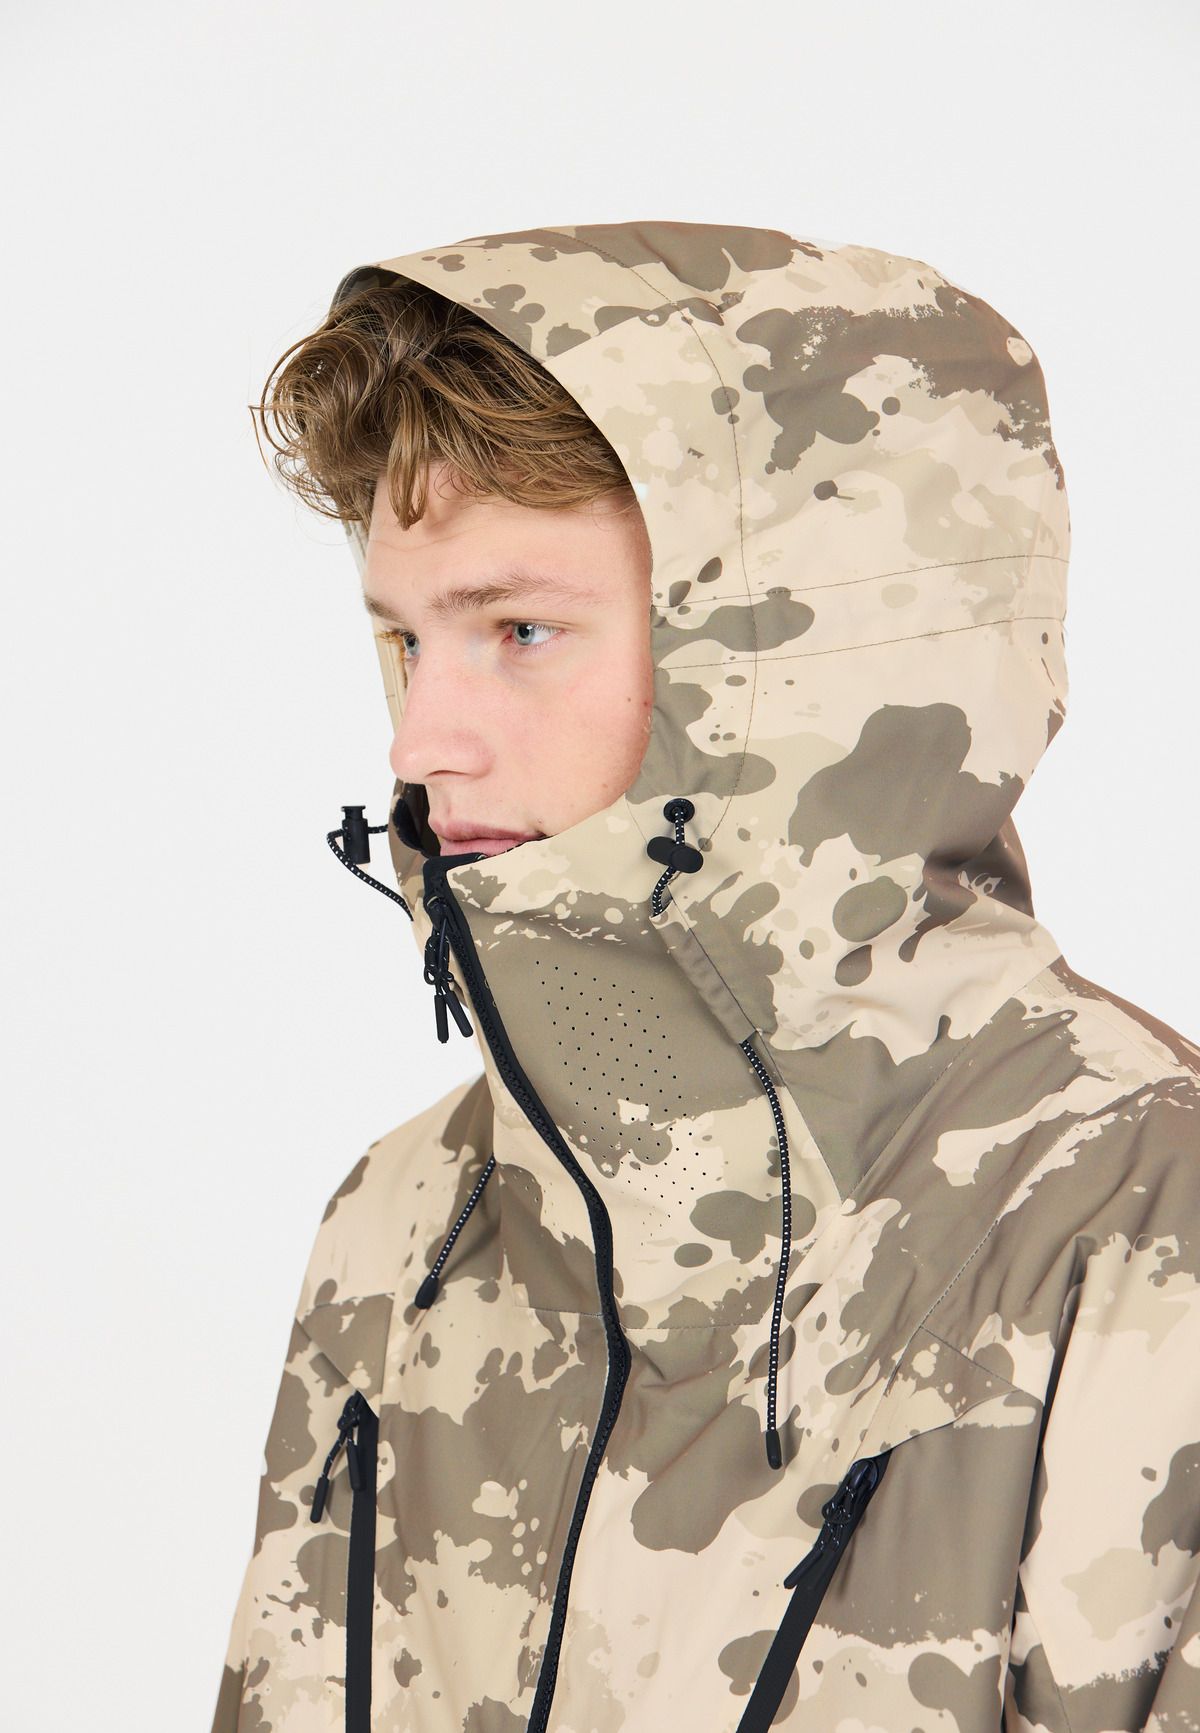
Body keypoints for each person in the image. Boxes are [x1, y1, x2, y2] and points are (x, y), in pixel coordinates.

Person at [210, 222, 1200, 1733]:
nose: (419, 743)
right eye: (407, 641)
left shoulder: (1135, 1231)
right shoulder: (408, 1224)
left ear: (785, 674)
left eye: (519, 630)